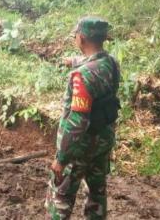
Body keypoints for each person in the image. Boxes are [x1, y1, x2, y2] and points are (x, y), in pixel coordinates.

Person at [46, 16, 121, 220]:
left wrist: (61, 158)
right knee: (97, 191)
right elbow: (93, 62)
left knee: (61, 192)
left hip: (80, 146)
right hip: (103, 141)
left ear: (81, 38)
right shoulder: (111, 64)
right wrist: (71, 61)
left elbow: (77, 122)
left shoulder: (82, 76)